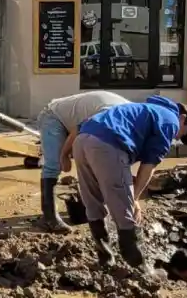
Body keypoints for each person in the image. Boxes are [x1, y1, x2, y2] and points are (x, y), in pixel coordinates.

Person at [69, 96, 187, 268]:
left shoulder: (143, 109)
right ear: (183, 118)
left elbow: (80, 127)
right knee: (125, 211)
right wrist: (134, 198)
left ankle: (105, 258)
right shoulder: (171, 120)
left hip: (82, 140)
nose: (176, 138)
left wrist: (63, 155)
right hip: (108, 144)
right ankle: (138, 266)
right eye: (183, 134)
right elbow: (148, 166)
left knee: (92, 202)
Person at [34, 89, 129, 232]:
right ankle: (49, 218)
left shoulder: (128, 117)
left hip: (77, 118)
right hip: (54, 116)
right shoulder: (108, 114)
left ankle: (93, 208)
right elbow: (77, 130)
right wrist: (64, 155)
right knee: (54, 165)